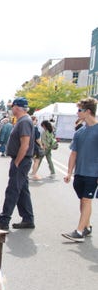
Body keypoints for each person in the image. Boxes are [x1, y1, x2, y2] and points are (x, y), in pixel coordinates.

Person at [0, 97, 36, 231]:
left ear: (17, 107)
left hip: (21, 160)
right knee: (22, 190)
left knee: (13, 190)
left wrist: (17, 162)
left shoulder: (24, 122)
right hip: (22, 159)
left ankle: (4, 220)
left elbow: (25, 144)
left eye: (12, 107)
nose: (11, 109)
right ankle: (28, 218)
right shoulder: (24, 121)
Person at [61, 97, 98, 242]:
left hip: (93, 173)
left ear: (88, 111)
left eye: (79, 110)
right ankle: (87, 226)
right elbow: (73, 153)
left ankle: (79, 231)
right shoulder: (79, 132)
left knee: (86, 200)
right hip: (80, 173)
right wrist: (69, 172)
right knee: (82, 202)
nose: (77, 113)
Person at [29, 116, 44, 181]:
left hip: (28, 145)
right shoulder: (35, 128)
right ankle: (34, 174)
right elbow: (37, 139)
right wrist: (41, 145)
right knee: (36, 161)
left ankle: (32, 173)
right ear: (33, 120)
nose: (36, 121)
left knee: (30, 160)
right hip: (34, 146)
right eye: (36, 120)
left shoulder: (27, 127)